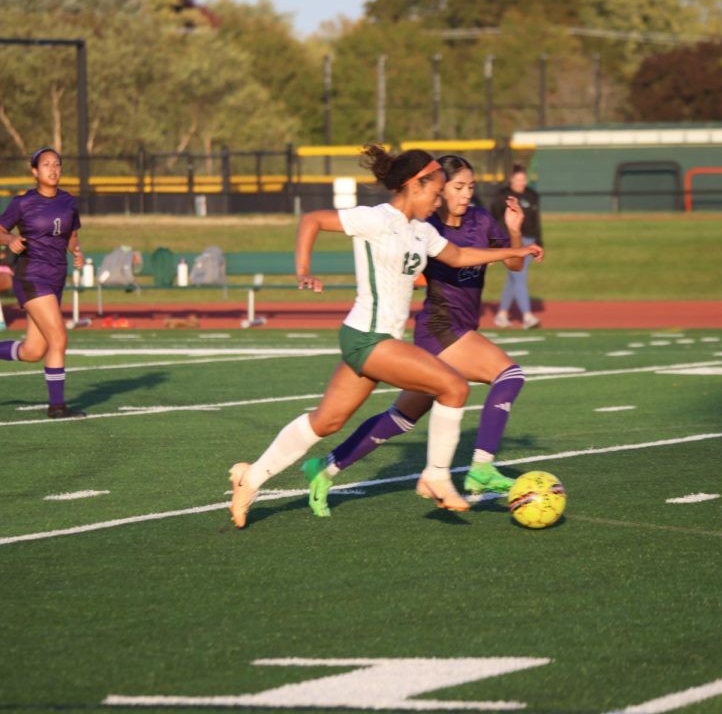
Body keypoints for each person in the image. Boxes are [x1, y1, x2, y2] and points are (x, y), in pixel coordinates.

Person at [228, 145, 543, 529]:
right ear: (414, 185)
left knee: (325, 422)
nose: (438, 198)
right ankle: (437, 476)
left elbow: (460, 257)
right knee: (452, 387)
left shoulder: (422, 231)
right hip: (367, 337)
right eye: (435, 190)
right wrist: (303, 270)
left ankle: (251, 477)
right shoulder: (376, 219)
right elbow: (311, 220)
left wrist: (518, 249)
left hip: (380, 341)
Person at [303, 154, 534, 517]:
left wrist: (515, 233)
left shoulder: (480, 219)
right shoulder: (427, 225)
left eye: (470, 187)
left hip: (461, 328)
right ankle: (482, 467)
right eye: (455, 187)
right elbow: (455, 256)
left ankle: (326, 467)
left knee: (402, 417)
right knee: (510, 375)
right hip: (441, 329)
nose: (462, 195)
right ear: (437, 189)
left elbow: (514, 264)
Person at [0, 148, 86, 419]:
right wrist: (9, 240)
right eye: (46, 164)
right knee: (58, 338)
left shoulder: (69, 202)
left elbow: (70, 235)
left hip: (56, 277)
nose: (53, 169)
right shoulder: (24, 202)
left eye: (57, 164)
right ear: (35, 171)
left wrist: (76, 250)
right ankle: (57, 407)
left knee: (33, 351)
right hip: (32, 276)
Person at [491, 163, 542, 329]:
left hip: (529, 240)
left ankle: (501, 315)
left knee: (513, 279)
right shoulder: (502, 196)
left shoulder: (532, 196)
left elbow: (536, 221)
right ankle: (527, 316)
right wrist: (494, 242)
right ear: (511, 179)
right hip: (510, 242)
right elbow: (493, 218)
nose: (521, 182)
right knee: (519, 276)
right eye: (517, 179)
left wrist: (539, 242)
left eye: (523, 179)